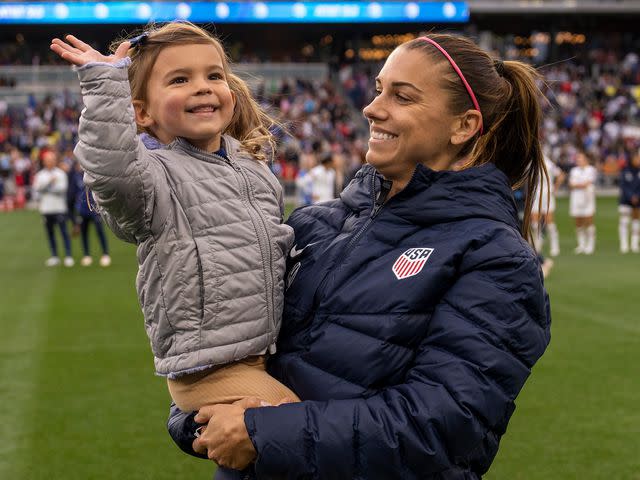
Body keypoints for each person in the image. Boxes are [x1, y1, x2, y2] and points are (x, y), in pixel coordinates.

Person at [168, 33, 551, 479]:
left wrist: (260, 433)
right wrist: (200, 417)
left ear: (464, 126)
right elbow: (226, 352)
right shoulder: (314, 224)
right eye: (378, 89)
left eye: (402, 97)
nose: (372, 108)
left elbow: (441, 427)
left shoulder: (495, 259)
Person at [50, 22, 298, 413]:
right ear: (142, 113)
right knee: (299, 424)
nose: (202, 86)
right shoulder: (154, 175)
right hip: (209, 367)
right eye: (180, 79)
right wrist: (105, 87)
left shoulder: (253, 166)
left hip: (264, 350)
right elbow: (112, 170)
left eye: (214, 75)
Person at [32, 150, 74, 267]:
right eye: (47, 160)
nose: (50, 162)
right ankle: (54, 256)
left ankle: (68, 255)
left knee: (64, 232)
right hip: (46, 209)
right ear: (44, 162)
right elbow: (37, 190)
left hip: (59, 208)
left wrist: (45, 188)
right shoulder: (40, 175)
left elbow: (62, 189)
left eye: (51, 160)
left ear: (55, 161)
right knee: (50, 234)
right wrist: (49, 183)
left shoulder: (61, 174)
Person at [68, 161, 112, 267]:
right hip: (82, 209)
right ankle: (87, 255)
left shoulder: (94, 175)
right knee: (84, 232)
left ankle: (105, 254)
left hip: (95, 209)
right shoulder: (76, 176)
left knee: (99, 231)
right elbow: (72, 194)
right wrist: (73, 215)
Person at [531, 154, 565, 257]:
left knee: (549, 221)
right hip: (535, 194)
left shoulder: (548, 163)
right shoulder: (530, 162)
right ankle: (537, 244)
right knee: (534, 222)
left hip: (547, 195)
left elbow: (561, 175)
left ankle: (555, 245)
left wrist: (555, 188)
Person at [569, 150, 598, 254]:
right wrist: (580, 184)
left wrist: (578, 184)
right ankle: (581, 244)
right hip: (576, 199)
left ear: (586, 159)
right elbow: (571, 184)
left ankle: (590, 244)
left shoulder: (591, 170)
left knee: (589, 221)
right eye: (577, 158)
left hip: (587, 198)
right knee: (578, 222)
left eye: (580, 158)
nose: (578, 160)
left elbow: (588, 183)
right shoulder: (574, 171)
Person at [618, 150, 640, 253]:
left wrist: (637, 196)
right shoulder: (625, 171)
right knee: (624, 221)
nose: (638, 160)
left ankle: (634, 244)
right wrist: (631, 196)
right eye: (636, 158)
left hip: (638, 201)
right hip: (625, 200)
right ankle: (624, 244)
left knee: (636, 222)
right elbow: (623, 186)